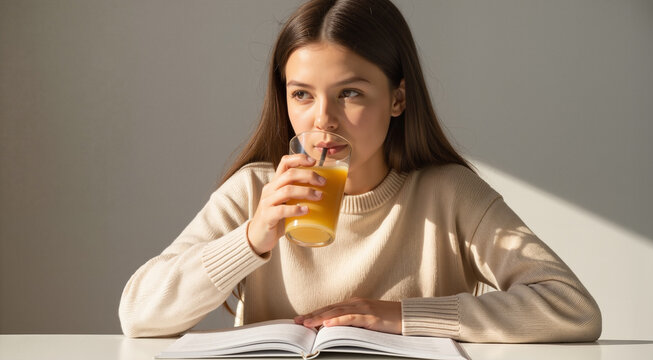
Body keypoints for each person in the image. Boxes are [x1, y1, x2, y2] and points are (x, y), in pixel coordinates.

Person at [119, 0, 601, 342]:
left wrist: (400, 316)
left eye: (350, 93)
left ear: (397, 98)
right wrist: (251, 239)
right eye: (302, 94)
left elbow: (571, 308)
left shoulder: (448, 194)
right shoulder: (254, 192)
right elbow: (138, 315)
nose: (322, 120)